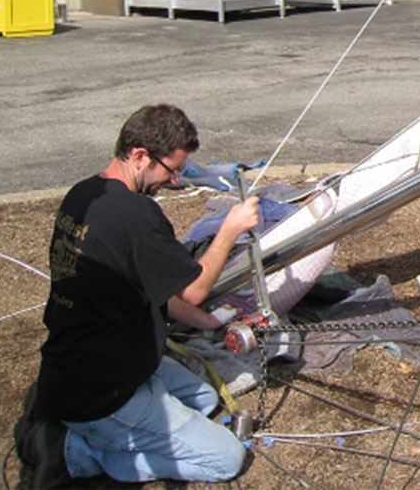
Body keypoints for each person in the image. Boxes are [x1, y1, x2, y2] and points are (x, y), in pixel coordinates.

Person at [15, 104, 261, 488]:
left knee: (204, 398)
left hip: (93, 361)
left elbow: (149, 288)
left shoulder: (83, 194)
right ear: (141, 156)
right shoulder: (137, 215)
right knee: (228, 459)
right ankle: (72, 451)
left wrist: (207, 323)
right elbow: (193, 290)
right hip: (103, 389)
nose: (176, 180)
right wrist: (230, 228)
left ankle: (101, 428)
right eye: (172, 169)